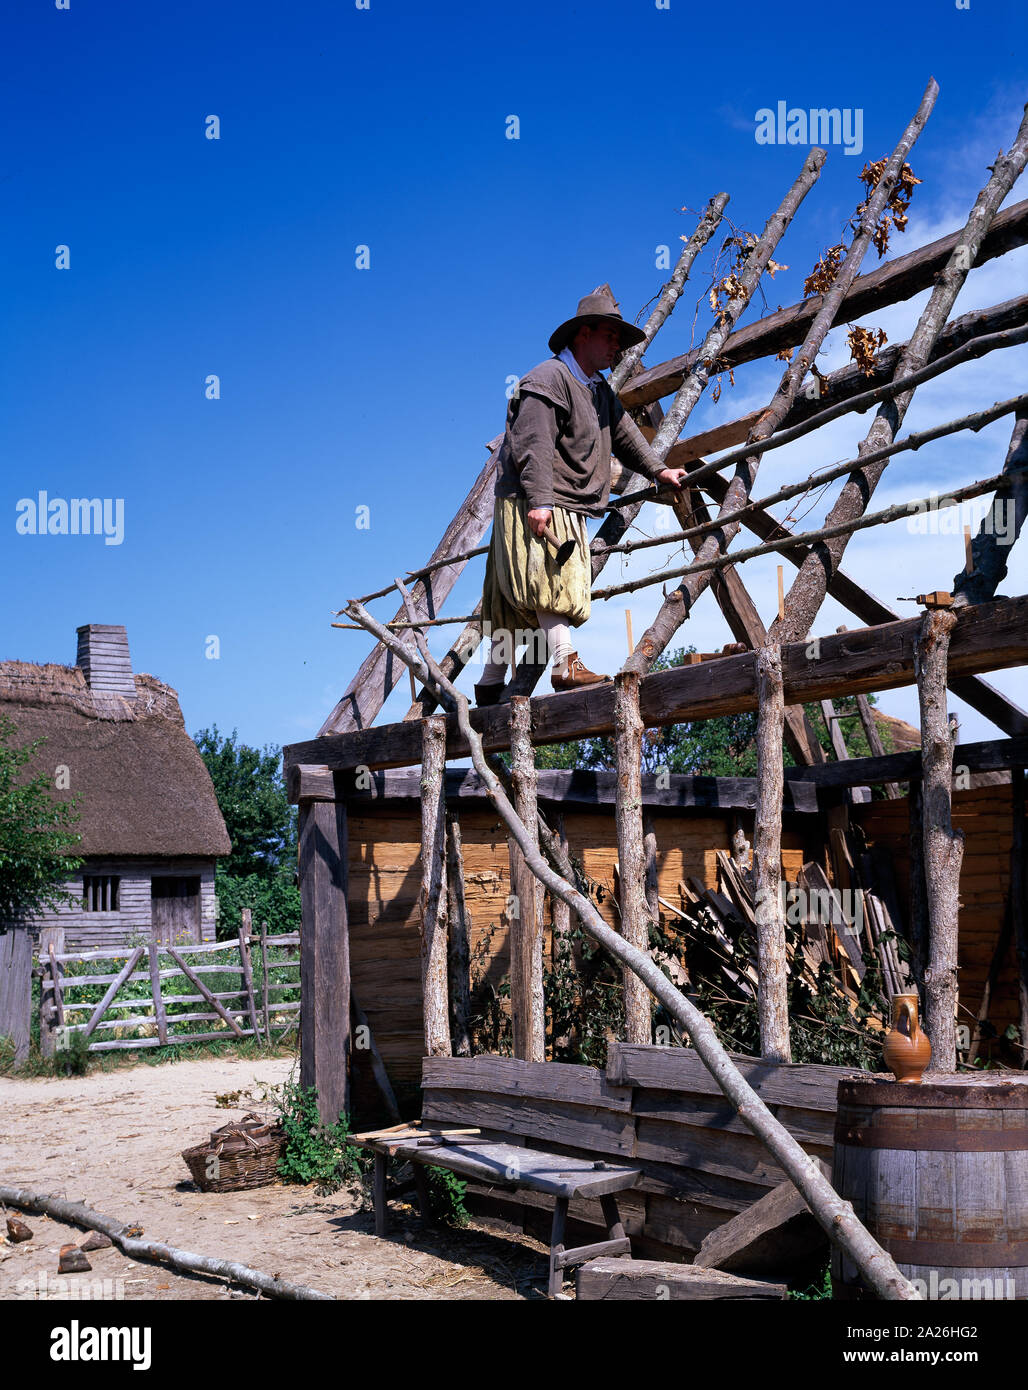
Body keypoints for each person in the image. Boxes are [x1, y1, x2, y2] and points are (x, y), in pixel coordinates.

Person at [475, 286, 687, 705]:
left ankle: (488, 682)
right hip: (538, 500)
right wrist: (539, 502)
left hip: (554, 499)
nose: (616, 346)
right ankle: (564, 662)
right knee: (553, 581)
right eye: (610, 336)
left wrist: (659, 470)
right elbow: (533, 444)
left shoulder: (598, 390)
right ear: (582, 335)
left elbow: (626, 434)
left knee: (506, 603)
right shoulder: (547, 379)